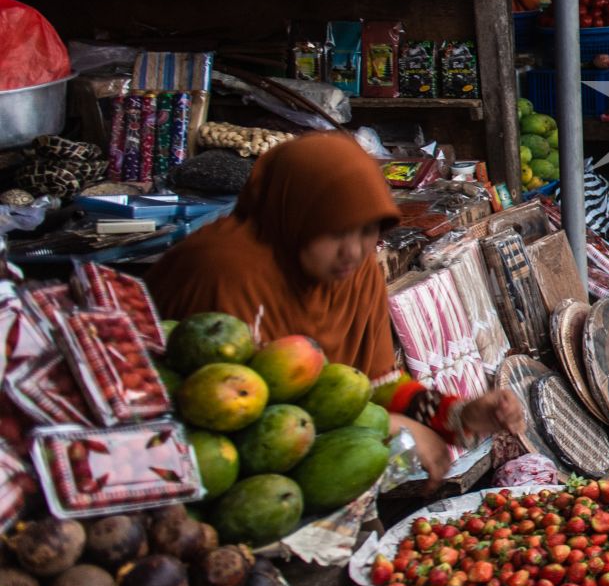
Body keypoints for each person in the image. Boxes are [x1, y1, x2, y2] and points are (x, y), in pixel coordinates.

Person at [147, 133, 525, 484]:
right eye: (334, 232)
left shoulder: (353, 272)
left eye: (367, 231)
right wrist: (388, 429)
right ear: (291, 217)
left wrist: (457, 415)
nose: (354, 251)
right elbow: (223, 413)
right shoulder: (222, 272)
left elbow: (372, 384)